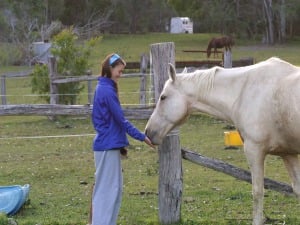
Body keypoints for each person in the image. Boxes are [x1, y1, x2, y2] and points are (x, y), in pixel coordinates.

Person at [91, 53, 154, 225]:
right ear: (110, 69)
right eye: (119, 71)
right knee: (107, 191)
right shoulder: (106, 90)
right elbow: (121, 120)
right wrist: (142, 137)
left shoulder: (105, 88)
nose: (121, 74)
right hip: (107, 146)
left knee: (114, 191)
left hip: (109, 145)